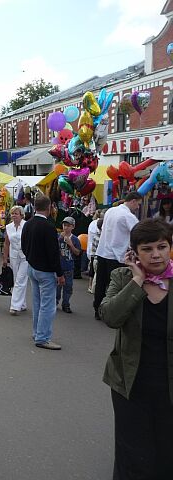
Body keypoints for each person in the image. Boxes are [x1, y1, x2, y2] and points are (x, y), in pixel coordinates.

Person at [99, 218, 173, 478]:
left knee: (167, 452)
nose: (156, 255)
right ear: (134, 252)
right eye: (147, 249)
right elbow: (110, 316)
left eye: (162, 247)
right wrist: (138, 280)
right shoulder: (122, 276)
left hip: (168, 384)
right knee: (132, 452)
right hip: (129, 382)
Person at [21, 194, 65, 350]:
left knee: (37, 302)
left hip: (32, 267)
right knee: (47, 305)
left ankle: (37, 332)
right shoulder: (49, 227)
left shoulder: (28, 224)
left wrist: (30, 258)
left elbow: (24, 246)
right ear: (49, 207)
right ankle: (42, 337)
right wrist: (60, 273)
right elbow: (53, 253)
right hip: (46, 271)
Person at [94, 192, 141, 320]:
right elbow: (139, 233)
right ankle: (113, 313)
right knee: (116, 286)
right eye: (138, 204)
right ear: (133, 201)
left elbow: (103, 228)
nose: (137, 207)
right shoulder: (128, 216)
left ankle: (97, 309)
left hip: (103, 251)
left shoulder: (110, 211)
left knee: (100, 283)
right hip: (116, 255)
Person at [2, 206, 27, 315]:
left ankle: (15, 306)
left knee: (20, 280)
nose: (14, 215)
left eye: (16, 213)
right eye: (12, 213)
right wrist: (4, 258)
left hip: (25, 256)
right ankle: (22, 304)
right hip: (13, 256)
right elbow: (7, 243)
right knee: (16, 279)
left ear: (21, 215)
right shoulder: (9, 227)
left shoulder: (26, 225)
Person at [56, 216, 82, 314]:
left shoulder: (75, 239)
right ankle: (55, 301)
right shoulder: (58, 237)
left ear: (73, 227)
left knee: (68, 287)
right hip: (58, 267)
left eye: (68, 226)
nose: (65, 227)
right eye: (64, 225)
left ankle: (66, 304)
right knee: (57, 287)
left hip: (69, 267)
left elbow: (77, 253)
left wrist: (71, 244)